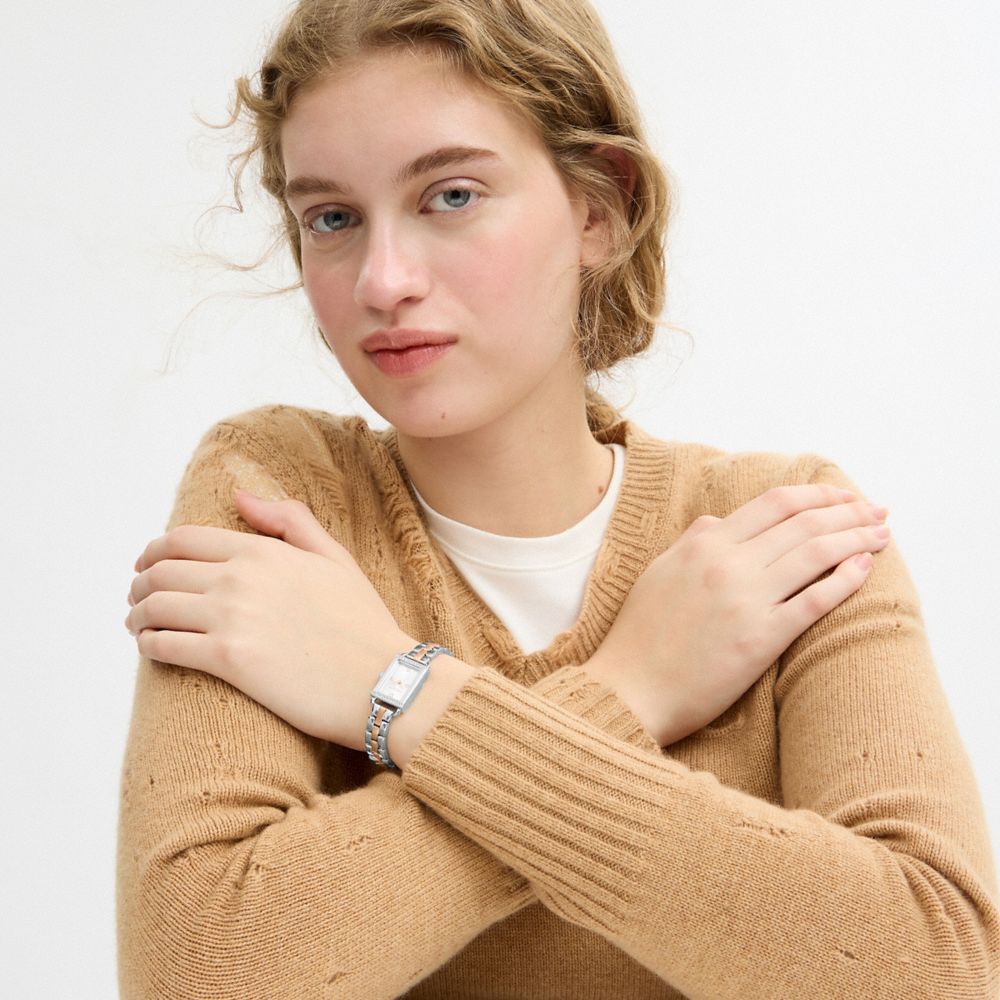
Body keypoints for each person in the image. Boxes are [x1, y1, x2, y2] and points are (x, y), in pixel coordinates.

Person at [115, 1, 999, 997]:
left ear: (598, 208)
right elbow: (201, 972)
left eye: (450, 196)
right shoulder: (284, 496)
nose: (382, 280)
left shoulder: (781, 532)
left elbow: (936, 969)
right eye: (332, 218)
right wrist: (629, 691)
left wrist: (392, 690)